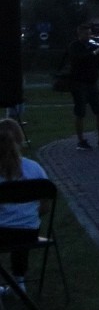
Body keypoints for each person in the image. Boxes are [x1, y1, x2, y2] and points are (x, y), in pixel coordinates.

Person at [0, 119, 49, 295]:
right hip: (29, 232)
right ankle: (19, 281)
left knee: (10, 230)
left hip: (3, 233)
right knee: (19, 230)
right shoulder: (34, 168)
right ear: (20, 140)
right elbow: (45, 206)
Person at [66, 24, 99, 150]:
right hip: (78, 83)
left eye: (89, 34)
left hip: (92, 83)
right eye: (85, 34)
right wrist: (95, 53)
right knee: (80, 112)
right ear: (79, 34)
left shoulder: (92, 47)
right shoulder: (74, 46)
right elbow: (80, 59)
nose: (88, 36)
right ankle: (81, 140)